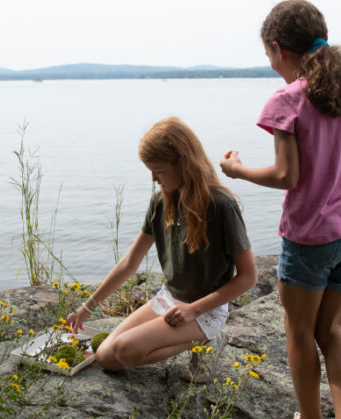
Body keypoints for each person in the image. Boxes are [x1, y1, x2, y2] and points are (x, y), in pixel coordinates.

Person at [219, 1, 341, 417]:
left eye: (269, 56)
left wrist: (237, 171)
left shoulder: (287, 100)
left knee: (299, 332)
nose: (272, 64)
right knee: (330, 330)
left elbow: (286, 176)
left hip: (311, 239)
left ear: (278, 49)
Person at [67, 117, 257, 377]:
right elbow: (130, 263)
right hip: (169, 298)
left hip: (204, 309)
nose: (154, 178)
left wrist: (194, 310)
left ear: (183, 161)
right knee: (106, 356)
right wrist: (86, 308)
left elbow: (248, 277)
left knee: (123, 349)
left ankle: (208, 339)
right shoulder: (161, 202)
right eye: (150, 170)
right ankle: (192, 338)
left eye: (159, 170)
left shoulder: (221, 205)